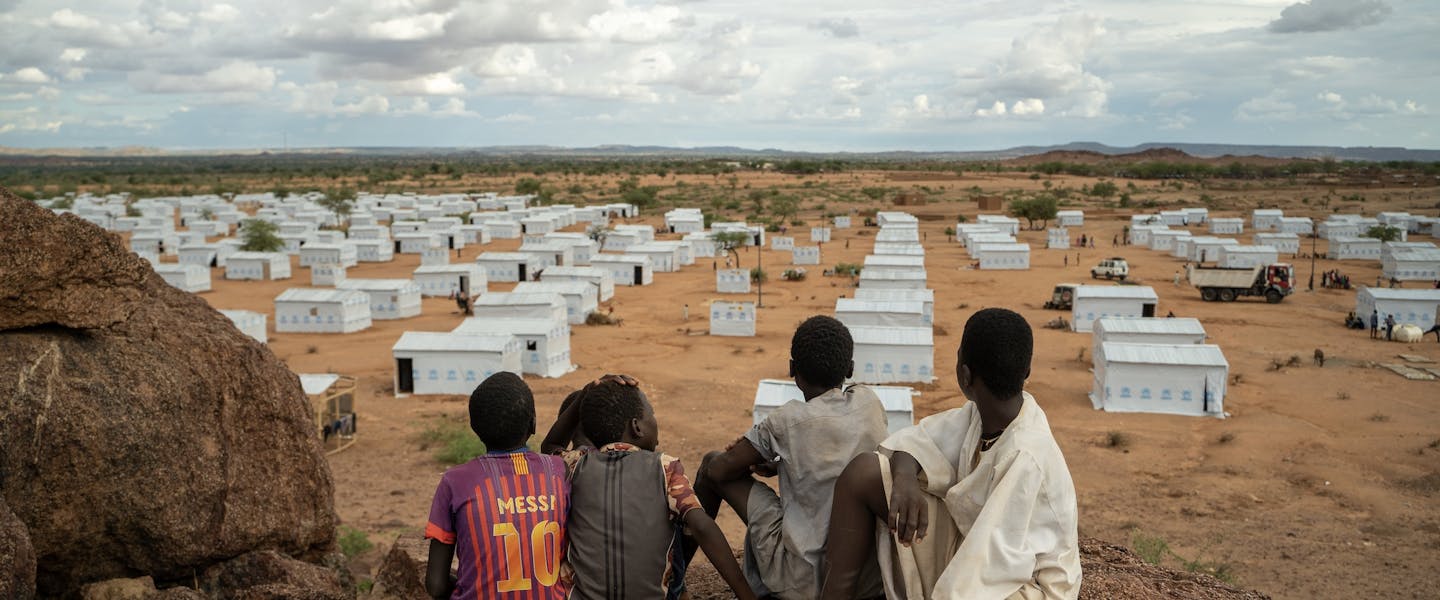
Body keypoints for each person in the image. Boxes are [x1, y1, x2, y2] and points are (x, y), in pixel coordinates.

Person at [820, 308, 1080, 600]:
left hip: (1022, 584)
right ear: (1026, 373)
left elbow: (982, 570)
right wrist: (904, 479)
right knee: (864, 474)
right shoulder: (982, 416)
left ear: (965, 375)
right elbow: (915, 442)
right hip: (975, 545)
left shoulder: (1025, 456)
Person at [694, 316, 890, 599]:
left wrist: (763, 457)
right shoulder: (869, 402)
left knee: (710, 462)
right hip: (866, 580)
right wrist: (782, 464)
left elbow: (719, 471)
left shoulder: (785, 420)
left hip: (801, 579)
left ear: (792, 369)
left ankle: (675, 578)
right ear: (849, 369)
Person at [542, 378, 757, 600]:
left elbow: (548, 446)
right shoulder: (665, 467)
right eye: (651, 415)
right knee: (674, 520)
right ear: (637, 427)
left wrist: (585, 395)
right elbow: (702, 527)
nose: (655, 421)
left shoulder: (573, 465)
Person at [425, 373, 571, 600]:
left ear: (474, 427)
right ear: (533, 423)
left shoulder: (455, 482)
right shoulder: (558, 471)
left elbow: (435, 586)